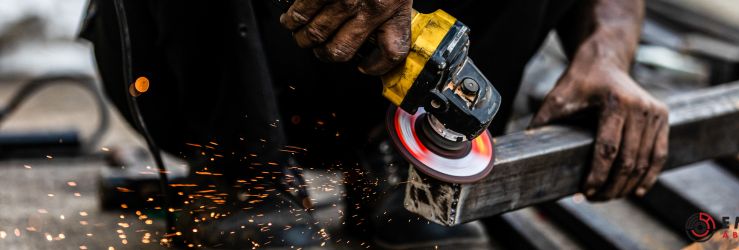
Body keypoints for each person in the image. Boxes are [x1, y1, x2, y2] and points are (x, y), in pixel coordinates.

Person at [80, 0, 668, 248]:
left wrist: (608, 48)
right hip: (188, 70)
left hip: (371, 74)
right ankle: (245, 174)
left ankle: (411, 167)